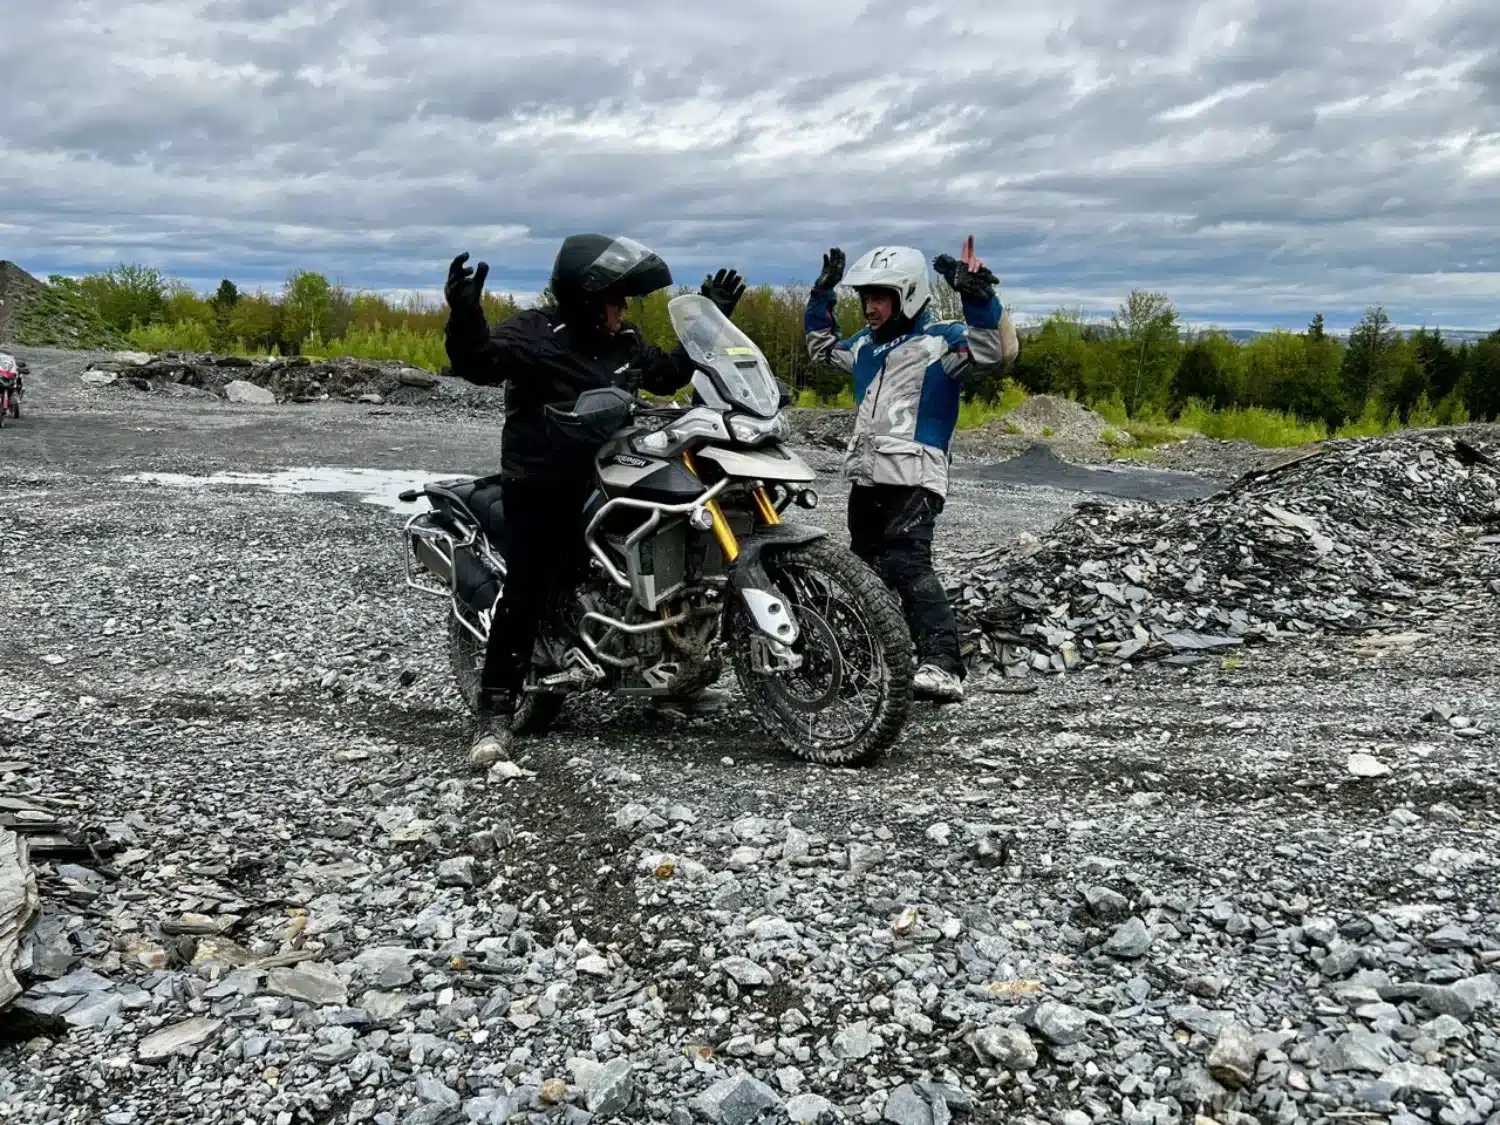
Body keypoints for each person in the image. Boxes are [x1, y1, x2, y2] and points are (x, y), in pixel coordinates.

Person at [444, 234, 746, 764]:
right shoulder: (537, 332)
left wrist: (710, 321)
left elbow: (669, 373)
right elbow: (479, 361)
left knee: (667, 545)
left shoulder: (624, 341)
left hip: (609, 473)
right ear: (586, 296)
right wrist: (465, 314)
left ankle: (657, 663)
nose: (624, 309)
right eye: (616, 298)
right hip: (542, 479)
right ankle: (494, 713)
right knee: (529, 584)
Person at [804, 237, 1018, 702]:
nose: (869, 307)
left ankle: (944, 664)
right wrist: (820, 296)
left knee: (906, 561)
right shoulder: (863, 345)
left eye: (880, 297)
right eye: (864, 297)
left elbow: (996, 354)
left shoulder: (943, 339)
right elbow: (821, 352)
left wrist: (980, 299)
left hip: (917, 473)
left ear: (909, 295)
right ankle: (867, 660)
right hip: (867, 474)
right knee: (862, 569)